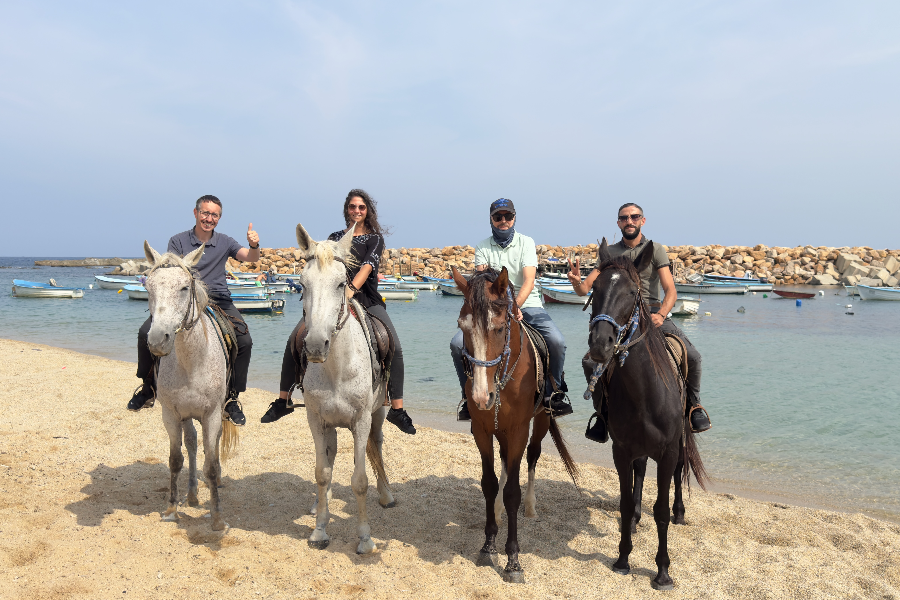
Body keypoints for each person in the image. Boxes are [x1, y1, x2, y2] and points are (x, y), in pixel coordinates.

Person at [260, 189, 417, 435]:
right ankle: (283, 400)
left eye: (361, 207)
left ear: (367, 211)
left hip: (366, 299)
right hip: (333, 299)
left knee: (394, 345)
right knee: (295, 338)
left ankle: (397, 408)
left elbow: (368, 266)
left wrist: (352, 289)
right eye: (352, 207)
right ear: (347, 210)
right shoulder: (335, 237)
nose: (356, 211)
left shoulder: (375, 238)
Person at [567, 202, 711, 440]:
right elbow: (584, 289)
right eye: (624, 218)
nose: (629, 221)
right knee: (590, 362)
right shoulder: (610, 253)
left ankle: (694, 407)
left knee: (693, 356)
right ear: (618, 223)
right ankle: (602, 415)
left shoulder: (655, 250)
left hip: (651, 313)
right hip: (621, 317)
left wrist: (661, 315)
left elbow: (670, 290)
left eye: (634, 217)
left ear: (643, 220)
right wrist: (575, 281)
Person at [126, 195, 259, 426]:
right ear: (196, 213)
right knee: (144, 333)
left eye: (214, 215)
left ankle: (231, 398)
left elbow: (250, 258)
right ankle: (148, 388)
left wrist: (254, 244)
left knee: (245, 340)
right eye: (205, 213)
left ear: (219, 218)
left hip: (218, 300)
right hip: (184, 299)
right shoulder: (177, 241)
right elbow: (172, 274)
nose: (209, 218)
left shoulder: (225, 241)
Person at [450, 198, 572, 420]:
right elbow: (483, 283)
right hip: (492, 310)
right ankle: (467, 397)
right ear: (491, 220)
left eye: (508, 216)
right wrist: (500, 307)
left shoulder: (526, 243)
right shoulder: (482, 247)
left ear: (514, 218)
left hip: (529, 304)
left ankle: (554, 393)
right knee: (457, 344)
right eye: (498, 217)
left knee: (557, 342)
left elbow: (528, 281)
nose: (503, 221)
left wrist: (516, 306)